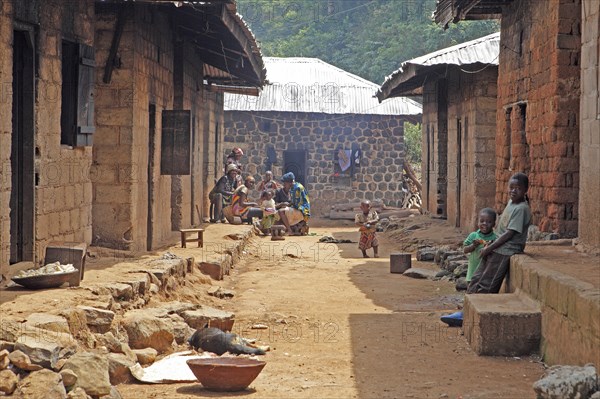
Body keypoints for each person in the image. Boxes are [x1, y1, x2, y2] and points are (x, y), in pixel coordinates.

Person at [468, 173, 532, 294]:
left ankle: (482, 306)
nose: (513, 191)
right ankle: (467, 307)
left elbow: (509, 234)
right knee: (476, 277)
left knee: (487, 282)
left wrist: (490, 247)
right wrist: (490, 244)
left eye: (518, 188)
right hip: (497, 245)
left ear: (525, 190)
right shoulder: (511, 203)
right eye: (511, 187)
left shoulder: (521, 209)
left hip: (507, 249)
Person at [441, 208, 497, 327]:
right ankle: (464, 315)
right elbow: (465, 250)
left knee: (481, 296)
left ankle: (471, 317)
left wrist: (490, 247)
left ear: (494, 224)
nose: (484, 224)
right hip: (472, 273)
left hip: (486, 273)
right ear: (478, 222)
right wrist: (473, 245)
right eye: (482, 221)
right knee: (470, 293)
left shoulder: (495, 238)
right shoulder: (473, 235)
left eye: (488, 222)